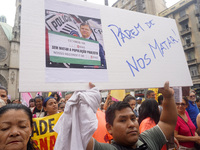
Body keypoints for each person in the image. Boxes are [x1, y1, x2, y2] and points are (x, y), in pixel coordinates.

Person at [84, 81, 177, 150]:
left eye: (133, 118)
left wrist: (168, 97)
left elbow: (167, 123)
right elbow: (81, 138)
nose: (131, 124)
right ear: (109, 128)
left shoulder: (148, 140)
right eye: (123, 120)